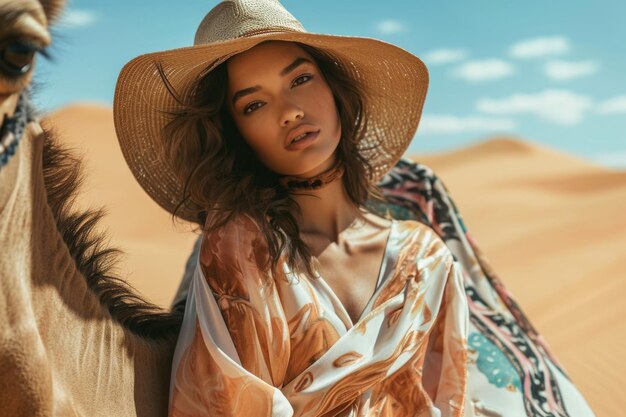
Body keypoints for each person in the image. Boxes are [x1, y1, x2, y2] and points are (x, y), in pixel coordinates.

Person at [113, 1, 597, 416]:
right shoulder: (241, 250)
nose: (290, 111)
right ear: (235, 134)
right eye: (253, 105)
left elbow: (449, 400)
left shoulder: (426, 259)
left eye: (300, 79)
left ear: (334, 89)